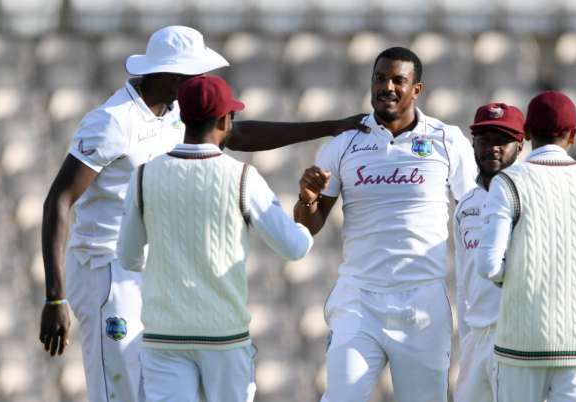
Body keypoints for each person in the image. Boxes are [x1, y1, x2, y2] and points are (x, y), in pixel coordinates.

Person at [39, 25, 367, 402]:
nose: (203, 81)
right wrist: (55, 298)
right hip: (106, 270)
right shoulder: (112, 122)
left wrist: (327, 127)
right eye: (197, 74)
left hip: (152, 271)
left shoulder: (176, 112)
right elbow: (59, 200)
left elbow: (236, 135)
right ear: (175, 76)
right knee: (119, 388)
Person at [294, 46, 478, 402]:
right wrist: (307, 198)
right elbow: (309, 226)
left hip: (422, 304)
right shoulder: (346, 143)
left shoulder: (446, 139)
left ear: (417, 89)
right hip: (358, 300)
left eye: (398, 80)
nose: (387, 87)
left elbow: (473, 212)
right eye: (380, 78)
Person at [116, 74, 313, 402]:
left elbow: (129, 258)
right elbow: (294, 248)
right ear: (225, 120)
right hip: (224, 336)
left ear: (182, 117)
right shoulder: (241, 175)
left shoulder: (144, 175)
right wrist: (308, 216)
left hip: (164, 335)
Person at [476, 91, 576, 402]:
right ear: (573, 135)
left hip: (521, 345)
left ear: (526, 133)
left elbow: (487, 265)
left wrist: (517, 276)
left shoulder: (508, 182)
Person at [453, 103, 524, 402]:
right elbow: (462, 277)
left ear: (520, 146)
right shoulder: (464, 204)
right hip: (476, 336)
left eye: (502, 140)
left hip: (517, 334)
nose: (492, 148)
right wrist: (466, 337)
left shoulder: (529, 195)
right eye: (485, 140)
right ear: (473, 143)